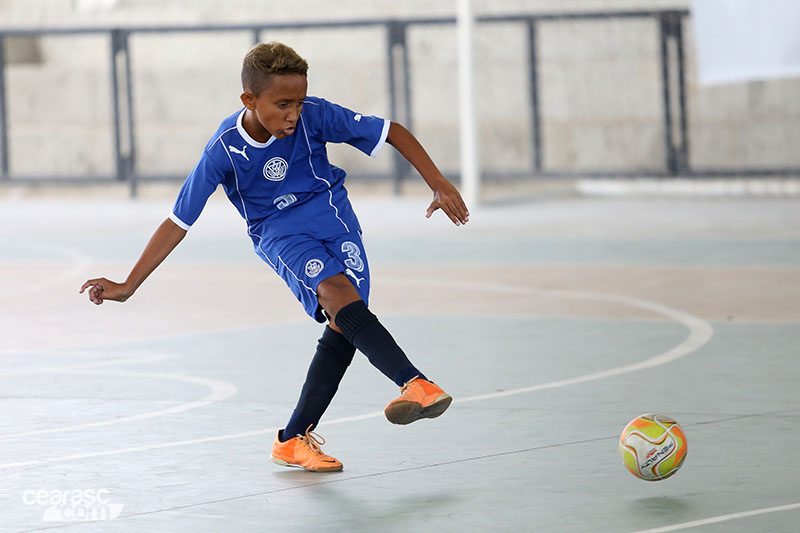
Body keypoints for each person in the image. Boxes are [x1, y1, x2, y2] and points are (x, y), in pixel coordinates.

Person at [80, 41, 470, 473]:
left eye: (299, 102)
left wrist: (437, 182)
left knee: (346, 322)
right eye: (283, 104)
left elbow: (391, 130)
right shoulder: (224, 150)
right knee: (336, 293)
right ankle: (415, 383)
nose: (294, 114)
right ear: (249, 100)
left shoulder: (315, 115)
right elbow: (178, 220)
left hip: (335, 218)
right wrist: (128, 285)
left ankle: (292, 440)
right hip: (279, 231)